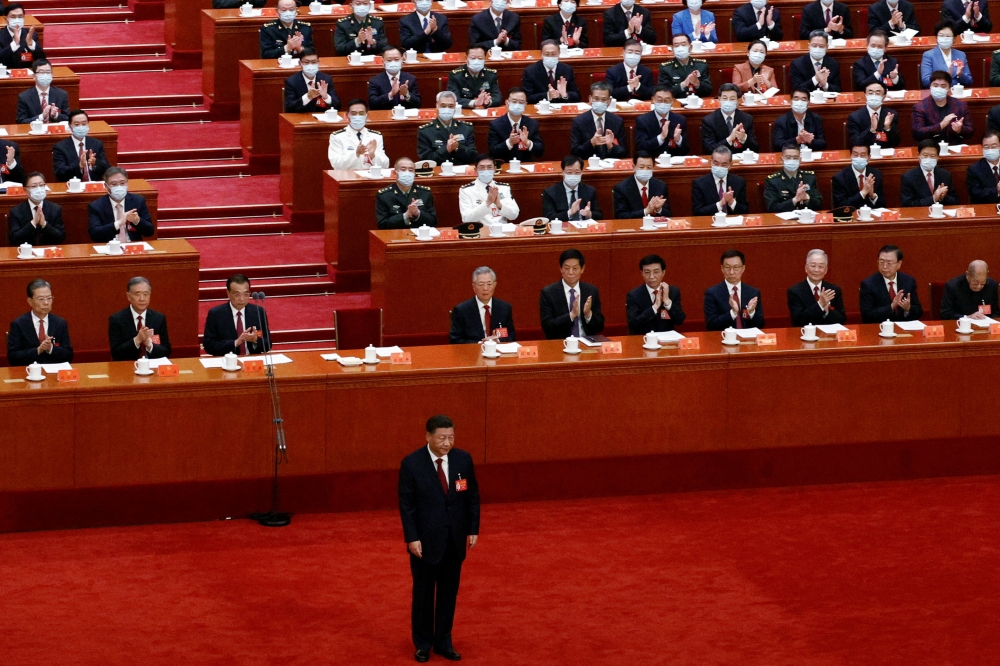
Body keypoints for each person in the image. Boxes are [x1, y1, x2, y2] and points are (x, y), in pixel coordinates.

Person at [399, 414, 480, 664]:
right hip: (424, 543)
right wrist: (412, 537)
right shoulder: (412, 463)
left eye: (451, 437)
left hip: (454, 540)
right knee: (424, 595)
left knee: (448, 594)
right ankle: (423, 644)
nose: (447, 443)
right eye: (442, 438)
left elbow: (472, 497)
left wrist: (472, 529)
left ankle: (444, 641)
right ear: (428, 436)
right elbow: (407, 506)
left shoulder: (463, 459)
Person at [539, 248, 605, 339]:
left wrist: (588, 314)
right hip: (561, 342)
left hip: (586, 342)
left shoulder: (591, 291)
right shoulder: (549, 293)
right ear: (561, 269)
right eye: (566, 268)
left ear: (582, 269)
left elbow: (600, 326)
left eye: (575, 268)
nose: (570, 272)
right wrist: (571, 315)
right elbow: (547, 326)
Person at [7, 279, 72, 366]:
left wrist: (50, 348)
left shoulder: (60, 323)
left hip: (53, 371)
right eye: (41, 299)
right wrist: (38, 350)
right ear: (30, 301)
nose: (46, 303)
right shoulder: (18, 324)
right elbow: (13, 357)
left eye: (49, 298)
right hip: (27, 371)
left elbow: (69, 355)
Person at [202, 274, 272, 356]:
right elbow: (208, 345)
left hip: (251, 361)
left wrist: (256, 339)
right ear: (228, 293)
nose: (242, 299)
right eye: (237, 294)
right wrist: (235, 343)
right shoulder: (216, 314)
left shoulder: (258, 312)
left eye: (246, 294)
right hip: (227, 360)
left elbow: (268, 344)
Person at [108, 276, 172, 361]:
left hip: (152, 367)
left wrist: (149, 345)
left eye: (145, 294)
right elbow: (116, 353)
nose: (142, 299)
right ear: (128, 296)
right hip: (127, 366)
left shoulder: (159, 318)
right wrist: (137, 340)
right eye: (137, 294)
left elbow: (166, 351)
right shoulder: (117, 319)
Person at [449, 266, 516, 343]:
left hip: (498, 349)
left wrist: (497, 340)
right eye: (481, 284)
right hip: (473, 349)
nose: (485, 288)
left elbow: (512, 336)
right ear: (474, 286)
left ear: (495, 285)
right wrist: (480, 344)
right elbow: (455, 340)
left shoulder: (504, 308)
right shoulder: (461, 310)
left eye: (489, 284)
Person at [88, 167, 154, 243]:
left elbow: (150, 232)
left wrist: (137, 221)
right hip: (109, 246)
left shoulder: (138, 201)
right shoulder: (96, 206)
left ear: (127, 183)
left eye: (122, 183)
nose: (119, 187)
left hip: (132, 246)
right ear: (106, 186)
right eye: (114, 184)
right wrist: (118, 223)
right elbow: (94, 234)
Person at [859, 245, 923, 322]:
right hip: (880, 327)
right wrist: (891, 306)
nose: (884, 267)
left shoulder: (909, 281)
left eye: (889, 263)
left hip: (904, 327)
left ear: (899, 264)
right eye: (881, 262)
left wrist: (908, 308)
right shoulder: (868, 284)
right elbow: (867, 315)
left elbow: (919, 311)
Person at [704, 249, 764, 330]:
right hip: (724, 336)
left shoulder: (753, 292)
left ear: (743, 268)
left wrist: (751, 312)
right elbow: (711, 325)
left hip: (748, 337)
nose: (731, 272)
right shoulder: (712, 293)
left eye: (736, 267)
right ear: (722, 268)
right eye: (728, 267)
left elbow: (761, 324)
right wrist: (733, 313)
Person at [626, 254, 685, 334]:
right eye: (647, 272)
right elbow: (633, 325)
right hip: (643, 338)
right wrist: (654, 307)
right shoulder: (634, 295)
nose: (651, 276)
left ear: (663, 272)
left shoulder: (672, 291)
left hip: (667, 338)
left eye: (656, 272)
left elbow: (680, 320)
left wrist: (668, 302)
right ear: (642, 273)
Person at [787, 249, 847, 326]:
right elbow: (798, 321)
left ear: (826, 270)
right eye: (813, 266)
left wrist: (827, 310)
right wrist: (820, 304)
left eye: (821, 266)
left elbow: (842, 319)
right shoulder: (795, 291)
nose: (816, 270)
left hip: (829, 333)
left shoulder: (833, 290)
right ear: (806, 268)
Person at [569, 81, 627, 159]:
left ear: (609, 101)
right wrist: (591, 143)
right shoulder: (579, 122)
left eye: (603, 99)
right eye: (596, 99)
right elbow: (575, 152)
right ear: (590, 99)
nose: (599, 102)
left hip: (610, 164)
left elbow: (624, 152)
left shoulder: (617, 121)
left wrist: (611, 146)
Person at [376, 157, 437, 229]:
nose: (407, 173)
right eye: (403, 169)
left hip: (419, 233)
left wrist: (418, 213)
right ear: (395, 173)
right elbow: (382, 225)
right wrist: (405, 216)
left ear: (414, 174)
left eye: (410, 170)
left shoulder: (424, 193)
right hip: (396, 234)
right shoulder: (384, 195)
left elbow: (433, 222)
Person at [912, 69, 973, 142]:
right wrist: (941, 125)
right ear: (930, 87)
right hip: (931, 146)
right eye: (935, 85)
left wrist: (959, 129)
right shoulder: (920, 107)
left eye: (943, 86)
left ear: (949, 88)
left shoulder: (961, 105)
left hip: (954, 145)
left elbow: (970, 131)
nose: (939, 89)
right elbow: (917, 133)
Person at [418, 92, 478, 165]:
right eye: (443, 106)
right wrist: (446, 149)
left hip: (460, 169)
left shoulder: (466, 128)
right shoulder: (425, 131)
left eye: (451, 106)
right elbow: (425, 161)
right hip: (438, 169)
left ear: (455, 107)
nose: (447, 109)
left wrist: (458, 147)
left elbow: (473, 156)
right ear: (437, 106)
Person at [329, 99, 389, 170]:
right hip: (348, 176)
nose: (357, 116)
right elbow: (336, 165)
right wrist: (356, 154)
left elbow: (385, 165)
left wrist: (372, 155)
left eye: (361, 113)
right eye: (354, 113)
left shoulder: (376, 136)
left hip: (369, 175)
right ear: (347, 115)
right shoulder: (337, 136)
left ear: (367, 115)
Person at [487, 87, 544, 162]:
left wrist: (527, 142)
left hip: (525, 164)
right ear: (507, 103)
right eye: (514, 101)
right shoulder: (496, 125)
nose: (517, 105)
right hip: (505, 164)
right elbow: (493, 151)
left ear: (525, 105)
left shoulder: (532, 124)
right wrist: (509, 142)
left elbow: (540, 152)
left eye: (521, 102)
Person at [459, 153, 519, 224]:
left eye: (489, 167)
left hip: (502, 228)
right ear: (476, 170)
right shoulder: (466, 190)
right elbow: (466, 219)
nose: (486, 170)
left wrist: (499, 205)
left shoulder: (504, 188)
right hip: (481, 229)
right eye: (482, 167)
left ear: (495, 169)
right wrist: (487, 203)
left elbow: (514, 215)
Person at [8, 171, 64, 247]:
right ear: (25, 190)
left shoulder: (55, 209)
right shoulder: (16, 211)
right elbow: (14, 239)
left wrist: (44, 224)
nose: (39, 189)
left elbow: (60, 237)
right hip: (26, 251)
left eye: (41, 185)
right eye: (34, 186)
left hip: (49, 250)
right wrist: (33, 223)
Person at [700, 83, 760, 154]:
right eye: (725, 98)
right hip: (720, 159)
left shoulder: (747, 119)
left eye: (732, 99)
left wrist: (744, 138)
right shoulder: (709, 121)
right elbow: (709, 149)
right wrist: (729, 139)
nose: (728, 101)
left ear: (738, 101)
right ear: (719, 99)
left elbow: (755, 148)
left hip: (740, 159)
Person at [52, 110, 110, 182]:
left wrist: (95, 164)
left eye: (84, 124)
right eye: (76, 124)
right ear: (70, 126)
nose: (81, 127)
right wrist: (79, 166)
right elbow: (60, 172)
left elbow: (107, 169)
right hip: (72, 185)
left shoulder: (97, 144)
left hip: (93, 185)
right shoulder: (60, 147)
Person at [899, 139, 960, 207]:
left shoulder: (945, 175)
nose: (928, 159)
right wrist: (933, 198)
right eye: (925, 155)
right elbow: (907, 204)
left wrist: (942, 197)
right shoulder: (908, 177)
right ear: (918, 155)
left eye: (932, 156)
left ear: (937, 157)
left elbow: (955, 201)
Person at [692, 145, 749, 216]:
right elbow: (697, 213)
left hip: (732, 222)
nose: (719, 167)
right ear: (711, 162)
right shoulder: (699, 183)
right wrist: (720, 204)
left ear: (730, 165)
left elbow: (745, 211)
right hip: (710, 221)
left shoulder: (739, 182)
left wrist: (732, 202)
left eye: (723, 165)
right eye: (716, 163)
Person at [541, 155, 603, 221]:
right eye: (569, 172)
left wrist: (589, 214)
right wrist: (570, 212)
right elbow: (549, 217)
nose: (573, 175)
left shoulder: (590, 190)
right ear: (562, 172)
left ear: (581, 173)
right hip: (563, 226)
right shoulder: (550, 192)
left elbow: (599, 215)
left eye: (577, 172)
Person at [764, 144, 822, 212]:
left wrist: (807, 198)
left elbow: (819, 204)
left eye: (795, 158)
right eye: (788, 158)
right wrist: (794, 200)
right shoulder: (772, 181)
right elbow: (772, 208)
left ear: (800, 159)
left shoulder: (809, 177)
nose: (792, 160)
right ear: (782, 160)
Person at [521, 40, 581, 104]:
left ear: (559, 53)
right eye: (547, 54)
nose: (550, 57)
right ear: (541, 54)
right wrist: (548, 95)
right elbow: (527, 97)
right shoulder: (530, 71)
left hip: (561, 106)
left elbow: (577, 96)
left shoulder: (567, 69)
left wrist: (565, 95)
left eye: (553, 54)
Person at [634, 86, 688, 156]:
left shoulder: (680, 120)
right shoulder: (642, 120)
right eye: (659, 100)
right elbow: (641, 146)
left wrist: (678, 140)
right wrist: (661, 137)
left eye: (667, 100)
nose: (663, 103)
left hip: (673, 159)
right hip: (652, 159)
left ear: (672, 101)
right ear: (653, 99)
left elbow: (686, 150)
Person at [612, 152, 670, 218]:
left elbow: (668, 214)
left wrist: (659, 209)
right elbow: (620, 216)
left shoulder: (661, 186)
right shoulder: (622, 188)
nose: (645, 170)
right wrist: (645, 211)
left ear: (653, 168)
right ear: (634, 167)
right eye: (641, 167)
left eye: (649, 167)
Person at [283, 48, 339, 113]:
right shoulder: (292, 81)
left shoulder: (326, 79)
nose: (310, 65)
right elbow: (289, 108)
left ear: (318, 63)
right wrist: (308, 97)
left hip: (322, 117)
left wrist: (326, 97)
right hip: (301, 116)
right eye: (306, 62)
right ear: (300, 63)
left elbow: (338, 106)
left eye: (314, 62)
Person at [847, 81, 900, 148]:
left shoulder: (891, 115)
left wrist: (887, 128)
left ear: (884, 96)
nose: (874, 96)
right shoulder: (855, 117)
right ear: (865, 95)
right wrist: (871, 130)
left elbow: (895, 142)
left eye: (878, 93)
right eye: (870, 93)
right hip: (866, 151)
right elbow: (856, 142)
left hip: (885, 152)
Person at [832, 144, 885, 208]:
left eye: (862, 155)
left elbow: (883, 204)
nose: (859, 158)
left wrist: (872, 196)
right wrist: (863, 193)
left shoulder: (876, 174)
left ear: (869, 157)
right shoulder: (840, 178)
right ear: (851, 156)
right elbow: (841, 205)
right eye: (855, 155)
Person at [368, 45, 421, 110]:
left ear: (402, 60)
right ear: (383, 62)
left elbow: (418, 103)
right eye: (389, 60)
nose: (393, 62)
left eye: (396, 59)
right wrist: (390, 94)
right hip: (385, 114)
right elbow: (372, 104)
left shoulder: (410, 79)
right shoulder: (375, 81)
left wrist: (407, 94)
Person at [16, 59, 69, 124]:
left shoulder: (61, 94)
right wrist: (41, 117)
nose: (45, 75)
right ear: (34, 76)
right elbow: (21, 121)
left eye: (48, 72)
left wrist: (56, 115)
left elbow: (68, 118)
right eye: (41, 72)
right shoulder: (24, 97)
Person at [921, 21, 971, 88]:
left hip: (957, 92)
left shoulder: (961, 55)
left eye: (948, 36)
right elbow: (926, 81)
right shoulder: (928, 55)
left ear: (954, 39)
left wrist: (961, 75)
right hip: (938, 92)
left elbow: (969, 81)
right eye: (941, 35)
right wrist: (945, 77)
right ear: (936, 38)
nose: (944, 38)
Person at [0, 4, 44, 70]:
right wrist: (14, 44)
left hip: (26, 73)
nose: (17, 20)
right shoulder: (1, 35)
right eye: (13, 17)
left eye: (20, 17)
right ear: (6, 19)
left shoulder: (30, 34)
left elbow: (42, 59)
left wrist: (31, 44)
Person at [967, 130, 1000, 203]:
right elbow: (975, 194)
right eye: (986, 147)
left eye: (994, 146)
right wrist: (997, 191)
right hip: (987, 206)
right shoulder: (974, 169)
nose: (990, 150)